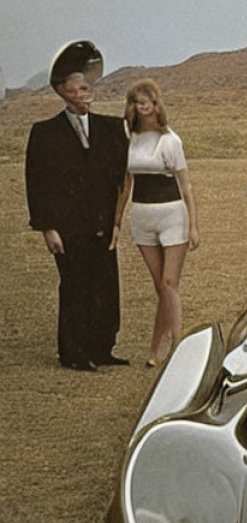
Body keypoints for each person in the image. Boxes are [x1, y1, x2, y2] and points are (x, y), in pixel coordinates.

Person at [25, 42, 130, 371]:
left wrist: (116, 222)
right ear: (63, 91)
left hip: (102, 224)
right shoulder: (44, 134)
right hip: (68, 229)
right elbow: (37, 183)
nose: (87, 93)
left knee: (105, 286)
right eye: (80, 88)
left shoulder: (112, 129)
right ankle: (73, 353)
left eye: (89, 87)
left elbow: (124, 177)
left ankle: (102, 348)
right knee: (75, 287)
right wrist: (47, 228)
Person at [118, 78, 199, 368]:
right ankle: (157, 348)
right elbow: (125, 185)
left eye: (147, 102)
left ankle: (175, 349)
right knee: (160, 287)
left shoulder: (170, 140)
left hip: (171, 215)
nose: (142, 107)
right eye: (137, 102)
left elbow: (186, 186)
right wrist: (117, 223)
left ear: (156, 104)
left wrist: (193, 226)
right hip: (141, 217)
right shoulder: (129, 137)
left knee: (169, 283)